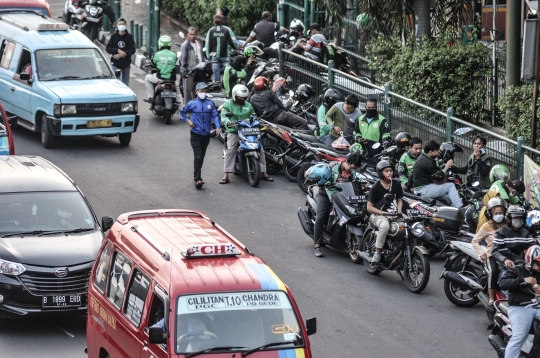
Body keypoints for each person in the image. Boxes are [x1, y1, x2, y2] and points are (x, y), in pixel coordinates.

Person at [310, 154, 363, 257]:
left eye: (354, 169)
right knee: (320, 217)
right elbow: (324, 182)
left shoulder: (352, 173)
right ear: (346, 162)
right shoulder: (332, 167)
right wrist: (332, 188)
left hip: (342, 197)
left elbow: (356, 183)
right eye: (351, 167)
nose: (351, 170)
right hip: (326, 194)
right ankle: (317, 245)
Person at [220, 84, 274, 184]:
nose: (242, 99)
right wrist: (228, 122)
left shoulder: (248, 105)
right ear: (234, 95)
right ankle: (226, 174)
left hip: (247, 131)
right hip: (234, 131)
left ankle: (263, 172)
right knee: (231, 150)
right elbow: (223, 116)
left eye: (244, 98)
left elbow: (253, 115)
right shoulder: (228, 104)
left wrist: (257, 120)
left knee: (260, 149)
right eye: (240, 97)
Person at [499, 245, 540, 358]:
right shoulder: (516, 270)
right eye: (538, 264)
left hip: (537, 306)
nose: (539, 267)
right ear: (530, 260)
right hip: (520, 307)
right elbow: (503, 283)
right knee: (519, 336)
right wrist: (523, 280)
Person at [179, 83, 221, 189]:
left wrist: (218, 127)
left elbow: (215, 115)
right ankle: (197, 178)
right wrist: (188, 121)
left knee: (201, 156)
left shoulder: (210, 103)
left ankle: (197, 176)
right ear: (196, 92)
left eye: (205, 91)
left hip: (206, 135)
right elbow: (182, 113)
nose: (203, 93)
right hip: (195, 135)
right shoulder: (192, 103)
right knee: (198, 156)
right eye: (201, 91)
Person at [471, 197, 508, 304]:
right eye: (496, 213)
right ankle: (491, 298)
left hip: (506, 255)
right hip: (492, 255)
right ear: (490, 214)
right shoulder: (486, 226)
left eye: (500, 212)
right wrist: (481, 254)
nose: (498, 215)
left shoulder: (508, 224)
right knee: (494, 272)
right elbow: (475, 241)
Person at [367, 160, 404, 263]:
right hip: (378, 215)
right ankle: (377, 252)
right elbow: (369, 207)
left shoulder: (396, 184)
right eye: (386, 171)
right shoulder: (375, 187)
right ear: (380, 172)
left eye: (391, 170)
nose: (389, 173)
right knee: (385, 226)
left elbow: (399, 200)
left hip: (394, 213)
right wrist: (385, 214)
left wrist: (399, 210)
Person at [411, 140, 464, 208]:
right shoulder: (426, 161)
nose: (438, 152)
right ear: (431, 151)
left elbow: (434, 167)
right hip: (423, 189)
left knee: (448, 196)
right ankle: (459, 208)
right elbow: (437, 176)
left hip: (423, 188)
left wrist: (442, 165)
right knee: (450, 186)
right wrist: (447, 166)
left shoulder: (424, 157)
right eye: (437, 150)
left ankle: (451, 209)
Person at [491, 205, 534, 286]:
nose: (518, 220)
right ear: (509, 219)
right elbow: (494, 251)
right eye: (515, 218)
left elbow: (532, 248)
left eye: (520, 218)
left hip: (522, 265)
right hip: (507, 268)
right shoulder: (501, 233)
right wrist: (505, 260)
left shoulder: (525, 233)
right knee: (509, 288)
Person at [353, 98, 391, 164]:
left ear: (376, 107)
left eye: (373, 107)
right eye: (369, 107)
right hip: (362, 151)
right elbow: (356, 132)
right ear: (366, 107)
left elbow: (385, 133)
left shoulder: (381, 120)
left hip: (376, 153)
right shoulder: (360, 119)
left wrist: (385, 141)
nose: (371, 109)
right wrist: (358, 138)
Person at [144, 35, 178, 103]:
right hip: (171, 79)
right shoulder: (174, 54)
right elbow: (175, 63)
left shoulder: (156, 54)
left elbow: (153, 64)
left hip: (160, 78)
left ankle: (151, 97)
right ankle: (181, 109)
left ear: (160, 44)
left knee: (147, 78)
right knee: (178, 93)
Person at [205, 15, 238, 83]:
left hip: (214, 56)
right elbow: (232, 42)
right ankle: (225, 85)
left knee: (216, 74)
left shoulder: (211, 30)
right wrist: (237, 48)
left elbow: (208, 44)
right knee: (227, 73)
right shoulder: (226, 30)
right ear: (222, 21)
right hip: (225, 55)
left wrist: (208, 55)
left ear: (214, 21)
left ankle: (217, 86)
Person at [105, 18, 136, 86]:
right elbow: (108, 49)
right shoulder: (114, 36)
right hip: (115, 63)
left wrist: (124, 54)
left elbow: (133, 50)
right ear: (117, 25)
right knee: (116, 83)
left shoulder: (129, 37)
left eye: (123, 24)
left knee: (125, 84)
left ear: (126, 25)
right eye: (120, 24)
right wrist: (117, 50)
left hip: (126, 64)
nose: (121, 25)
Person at [180, 27, 204, 105]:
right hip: (189, 71)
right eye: (190, 34)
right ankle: (186, 109)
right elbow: (183, 59)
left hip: (199, 70)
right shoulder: (185, 45)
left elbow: (202, 55)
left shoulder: (199, 43)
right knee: (187, 91)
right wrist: (184, 72)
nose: (192, 36)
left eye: (194, 34)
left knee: (197, 91)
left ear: (196, 34)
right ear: (187, 35)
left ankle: (195, 107)